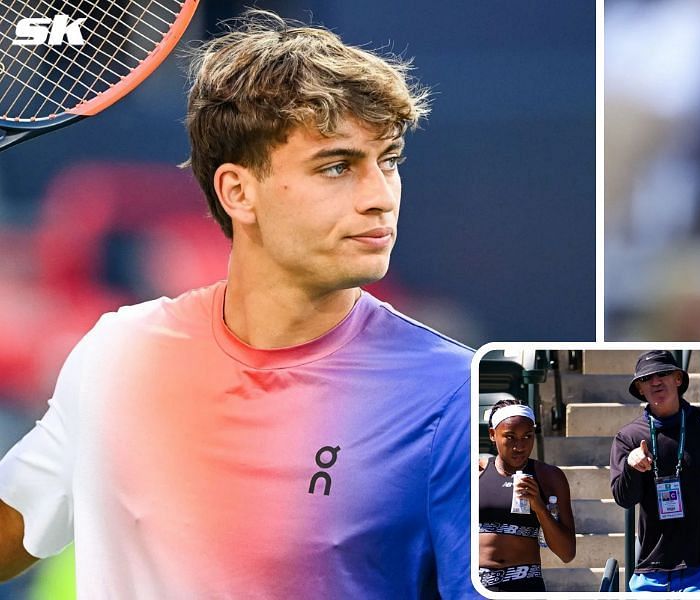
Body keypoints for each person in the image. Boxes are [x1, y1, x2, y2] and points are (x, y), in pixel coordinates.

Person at [0, 11, 477, 598]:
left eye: (390, 162)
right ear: (237, 192)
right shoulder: (118, 354)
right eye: (336, 167)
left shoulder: (455, 396)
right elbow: (11, 531)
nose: (380, 198)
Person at [610, 350, 700, 592]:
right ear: (639, 388)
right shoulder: (629, 437)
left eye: (663, 374)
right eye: (646, 378)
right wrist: (631, 466)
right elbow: (624, 498)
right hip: (653, 568)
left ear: (678, 379)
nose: (655, 381)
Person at [477, 399, 576, 592]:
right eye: (510, 437)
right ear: (492, 435)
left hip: (525, 586)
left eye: (527, 436)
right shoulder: (476, 473)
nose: (519, 446)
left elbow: (567, 553)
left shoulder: (549, 477)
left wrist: (539, 507)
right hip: (476, 586)